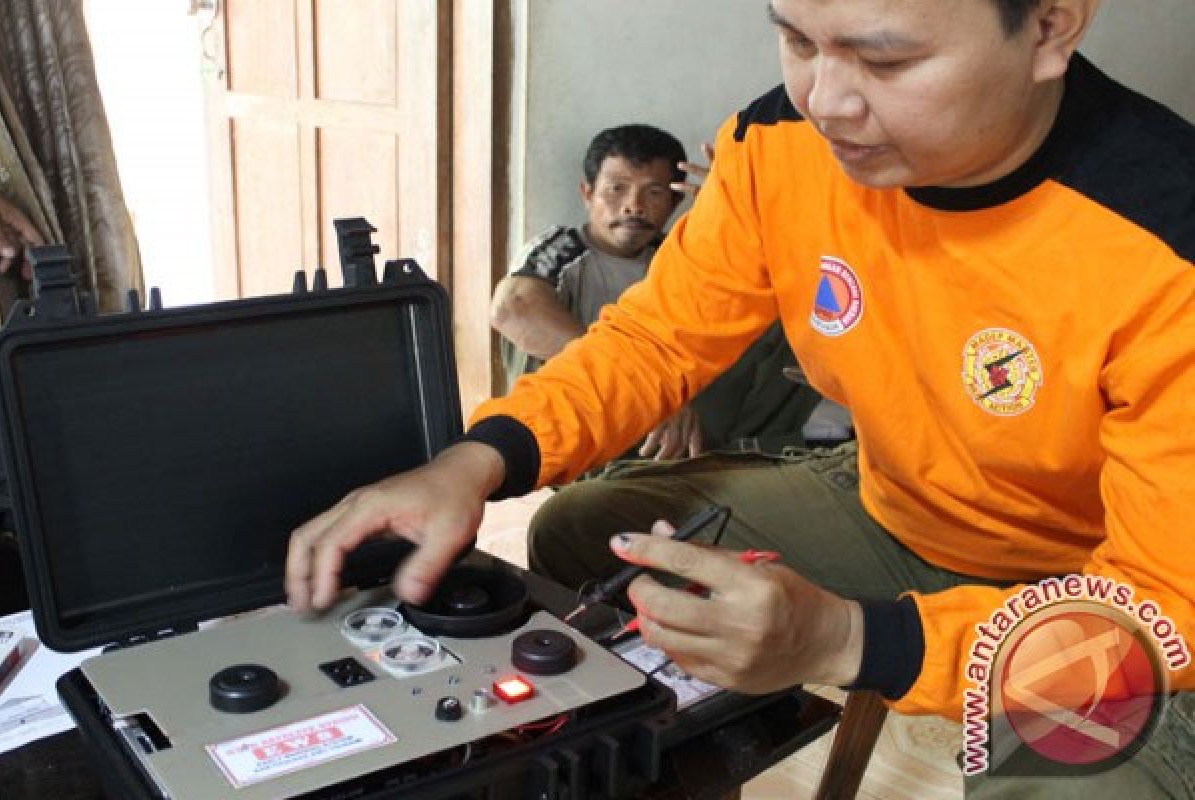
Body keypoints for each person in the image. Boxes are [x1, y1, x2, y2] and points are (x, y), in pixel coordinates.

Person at [287, 1, 1194, 796]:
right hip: (895, 507)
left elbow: (1167, 599)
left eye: (885, 61)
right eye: (797, 40)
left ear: (1051, 25)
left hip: (1097, 589)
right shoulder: (778, 150)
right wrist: (475, 460)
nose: (824, 100)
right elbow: (655, 340)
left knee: (1062, 779)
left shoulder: (1165, 241)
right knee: (581, 539)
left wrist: (847, 641)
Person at [492, 124, 822, 461]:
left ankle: (743, 458)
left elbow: (775, 285)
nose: (633, 206)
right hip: (586, 422)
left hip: (668, 428)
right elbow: (512, 309)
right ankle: (564, 460)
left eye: (653, 193)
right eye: (616, 189)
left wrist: (733, 211)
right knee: (527, 312)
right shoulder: (563, 250)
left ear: (676, 199)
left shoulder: (678, 251)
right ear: (587, 193)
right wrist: (639, 387)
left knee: (796, 313)